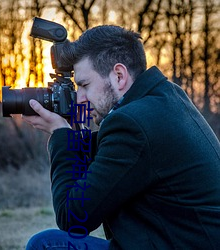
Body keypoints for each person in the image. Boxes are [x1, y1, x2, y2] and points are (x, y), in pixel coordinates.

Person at [22, 25, 220, 250]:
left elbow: (73, 218)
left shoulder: (132, 124)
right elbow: (111, 154)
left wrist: (60, 136)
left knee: (46, 244)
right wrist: (68, 132)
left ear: (119, 75)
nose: (81, 99)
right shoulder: (165, 98)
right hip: (185, 241)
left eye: (85, 85)